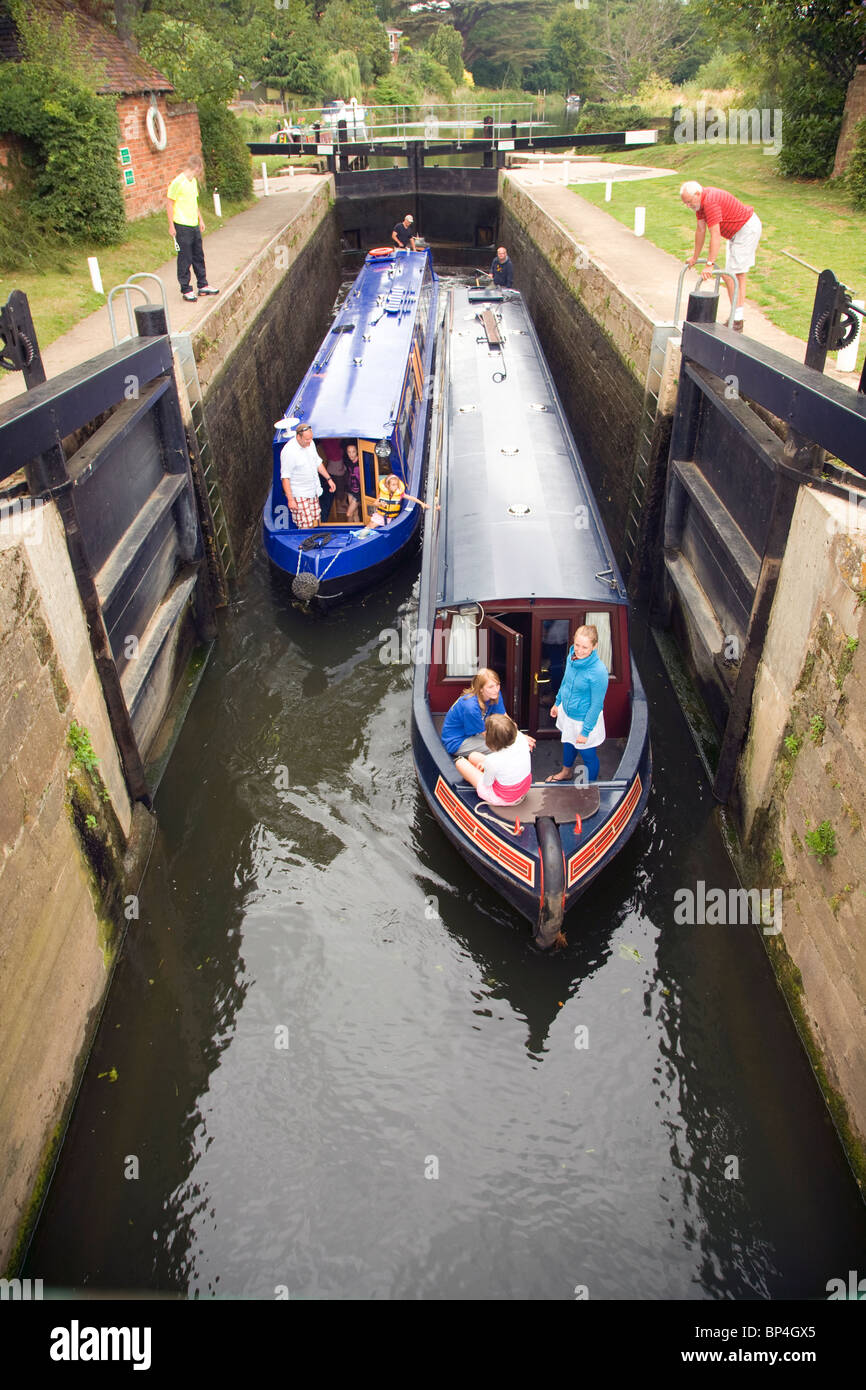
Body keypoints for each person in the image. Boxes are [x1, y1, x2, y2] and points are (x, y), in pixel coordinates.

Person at [680, 181, 762, 333]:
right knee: (735, 274)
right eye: (685, 203)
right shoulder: (700, 204)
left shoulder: (710, 202)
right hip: (737, 233)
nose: (688, 206)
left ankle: (737, 321)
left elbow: (715, 235)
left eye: (689, 202)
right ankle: (737, 318)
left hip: (746, 229)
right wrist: (694, 257)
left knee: (731, 275)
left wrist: (710, 264)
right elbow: (700, 230)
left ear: (697, 194)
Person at [547, 624, 608, 783]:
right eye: (577, 645)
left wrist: (585, 732)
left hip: (583, 720)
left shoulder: (598, 671)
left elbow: (596, 705)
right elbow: (566, 682)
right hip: (567, 713)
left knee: (588, 756)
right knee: (567, 742)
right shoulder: (571, 656)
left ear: (594, 646)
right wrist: (557, 702)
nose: (579, 651)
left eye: (585, 647)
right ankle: (566, 772)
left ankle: (589, 787)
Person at [167, 155, 219, 303]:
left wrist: (200, 219)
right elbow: (169, 204)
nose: (198, 173)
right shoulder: (177, 182)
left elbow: (194, 202)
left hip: (193, 224)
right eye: (198, 170)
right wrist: (171, 225)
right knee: (185, 257)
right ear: (195, 168)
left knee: (198, 255)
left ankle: (203, 285)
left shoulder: (193, 182)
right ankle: (186, 289)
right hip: (181, 224)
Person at [456, 714, 533, 806]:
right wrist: (487, 766)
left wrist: (486, 769)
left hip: (503, 798)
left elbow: (487, 783)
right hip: (524, 788)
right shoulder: (521, 738)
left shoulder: (492, 761)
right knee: (473, 756)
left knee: (460, 763)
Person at [279, 421, 336, 529]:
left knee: (316, 519)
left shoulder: (311, 444)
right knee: (305, 524)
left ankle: (314, 543)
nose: (310, 442)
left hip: (313, 490)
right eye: (307, 439)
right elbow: (285, 477)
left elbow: (317, 462)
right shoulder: (289, 451)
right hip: (299, 494)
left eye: (311, 438)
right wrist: (291, 500)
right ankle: (307, 545)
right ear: (298, 437)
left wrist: (329, 479)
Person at [366, 472, 431, 528]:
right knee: (369, 527)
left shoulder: (399, 494)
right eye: (393, 485)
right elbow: (375, 503)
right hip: (380, 516)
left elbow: (412, 498)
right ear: (388, 485)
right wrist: (381, 504)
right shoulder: (383, 494)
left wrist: (422, 504)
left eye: (397, 485)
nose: (396, 487)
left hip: (391, 518)